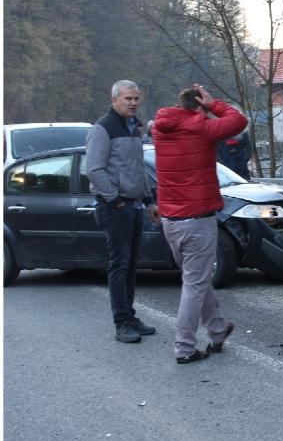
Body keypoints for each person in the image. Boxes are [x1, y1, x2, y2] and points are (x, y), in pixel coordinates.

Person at [152, 84, 247, 364]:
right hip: (197, 219)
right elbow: (238, 122)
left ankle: (217, 331)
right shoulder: (201, 127)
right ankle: (184, 348)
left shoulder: (160, 129)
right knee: (193, 286)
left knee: (196, 279)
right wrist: (214, 104)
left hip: (171, 219)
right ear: (200, 106)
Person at [85, 79, 160, 343]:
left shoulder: (134, 128)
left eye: (136, 98)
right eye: (128, 99)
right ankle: (121, 323)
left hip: (136, 205)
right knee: (119, 265)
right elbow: (94, 169)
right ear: (114, 99)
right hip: (115, 208)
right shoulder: (103, 128)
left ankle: (130, 316)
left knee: (130, 266)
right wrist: (116, 200)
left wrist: (150, 200)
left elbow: (138, 168)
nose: (133, 103)